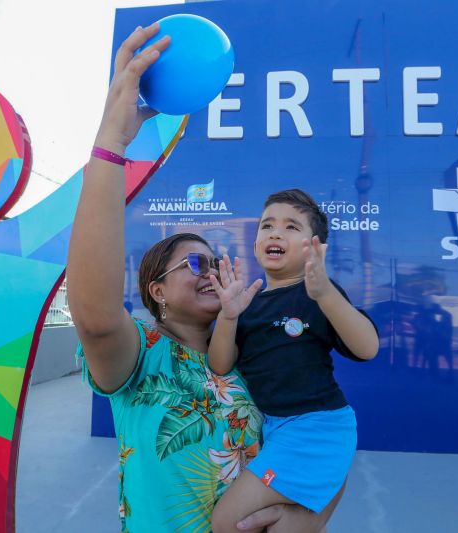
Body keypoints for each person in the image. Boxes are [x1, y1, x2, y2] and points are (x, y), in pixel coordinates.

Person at [67, 23, 343, 532]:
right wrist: (111, 144)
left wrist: (310, 515)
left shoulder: (252, 354)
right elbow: (97, 319)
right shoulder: (141, 354)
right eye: (195, 264)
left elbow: (319, 447)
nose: (212, 272)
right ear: (156, 291)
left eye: (215, 262)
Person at [206, 189, 380, 532]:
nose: (275, 233)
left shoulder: (318, 293)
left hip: (317, 428)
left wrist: (325, 293)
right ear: (256, 243)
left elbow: (367, 347)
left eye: (291, 227)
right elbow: (221, 366)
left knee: (228, 522)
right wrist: (227, 317)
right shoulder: (246, 303)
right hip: (276, 430)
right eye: (267, 225)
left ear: (313, 246)